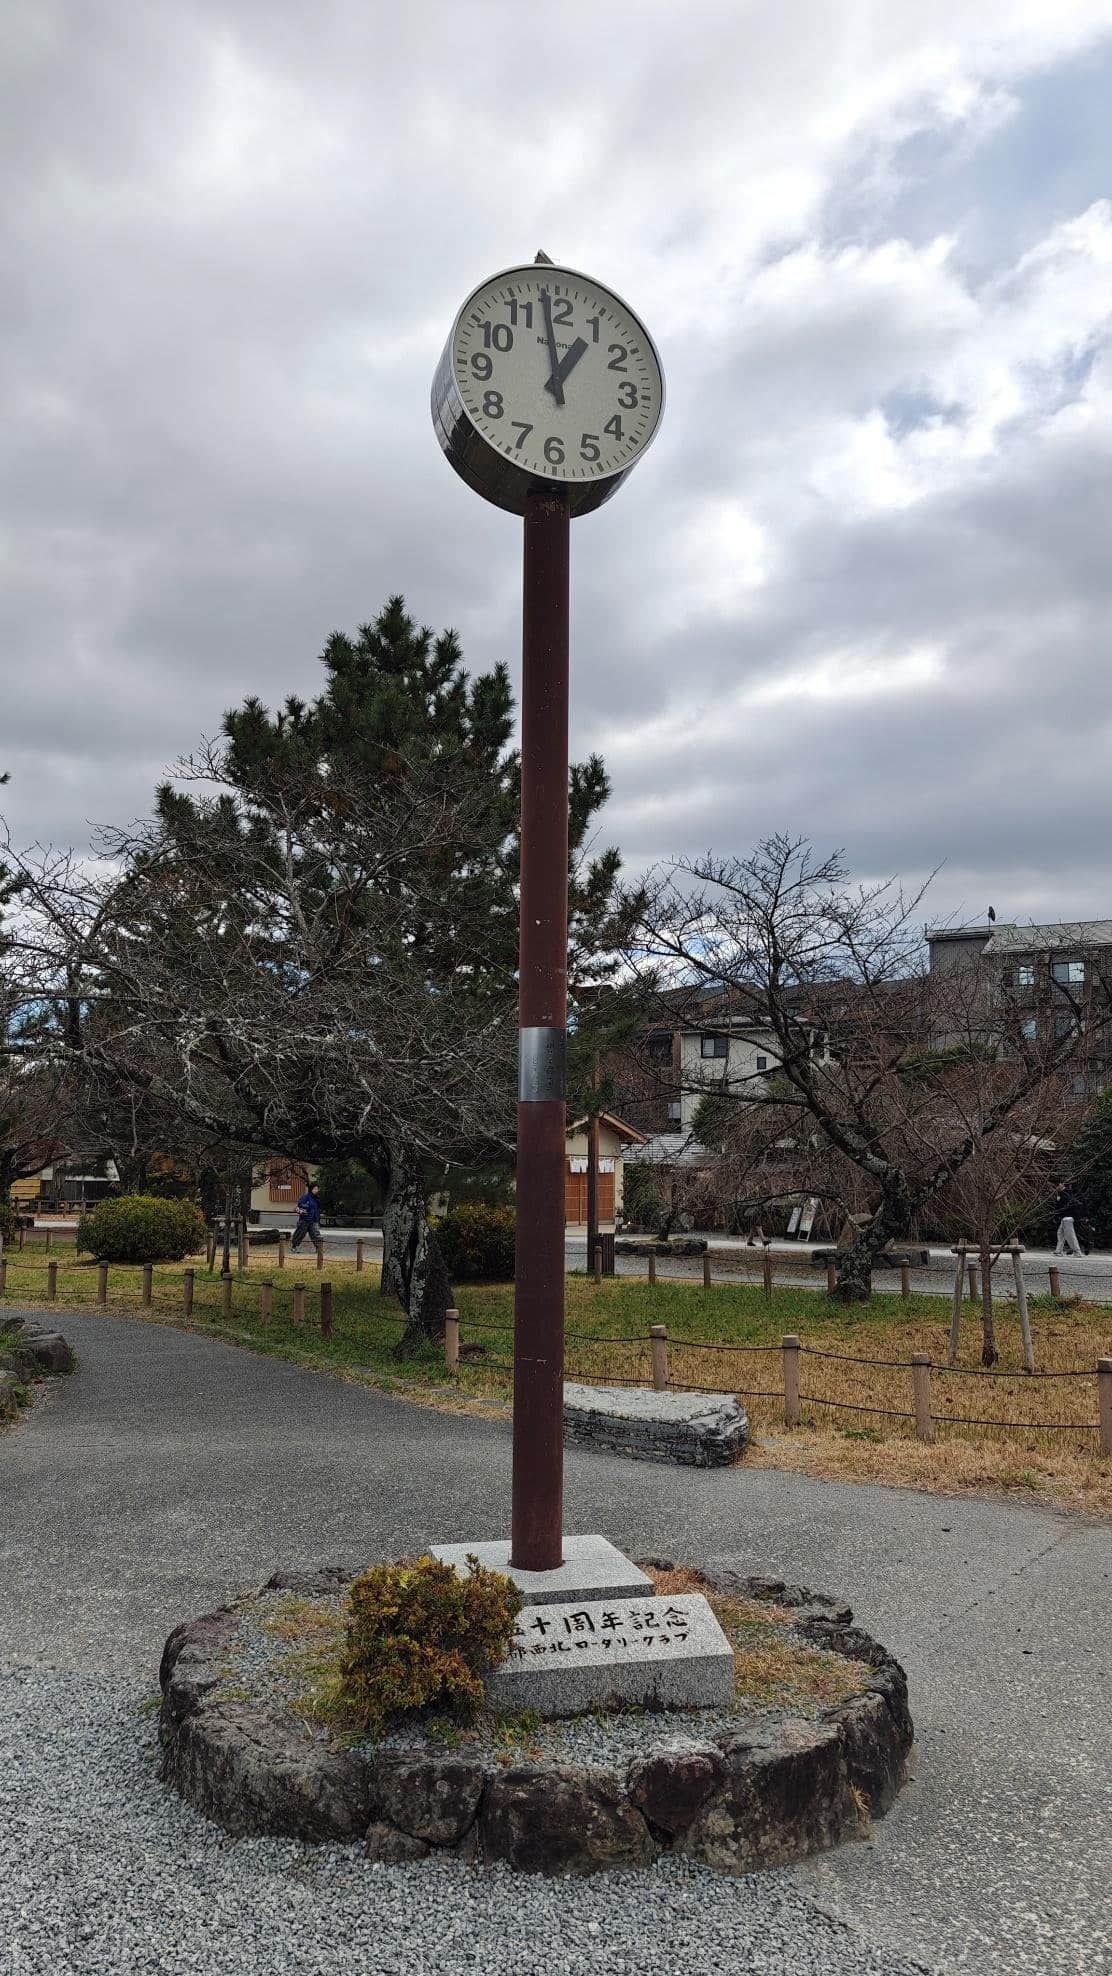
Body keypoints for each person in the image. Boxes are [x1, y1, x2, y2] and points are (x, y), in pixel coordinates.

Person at [291, 1181, 324, 1255]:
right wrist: (305, 1210)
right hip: (304, 1219)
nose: (316, 1190)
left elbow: (317, 1209)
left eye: (317, 1189)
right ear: (311, 1189)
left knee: (315, 1234)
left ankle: (318, 1248)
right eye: (315, 1188)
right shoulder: (305, 1197)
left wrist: (318, 1217)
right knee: (300, 1233)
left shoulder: (317, 1198)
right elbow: (300, 1206)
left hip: (314, 1219)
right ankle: (294, 1247)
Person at [1054, 1186, 1084, 1258]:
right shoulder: (1066, 1194)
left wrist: (1058, 1199)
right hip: (1066, 1217)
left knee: (1070, 1236)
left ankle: (1077, 1252)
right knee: (1060, 1233)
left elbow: (1060, 1207)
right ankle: (1058, 1251)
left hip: (1067, 1218)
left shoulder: (1064, 1195)